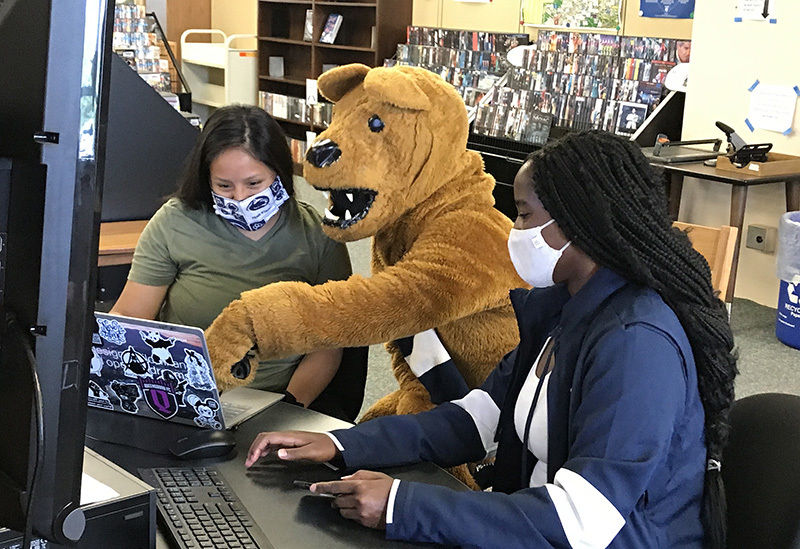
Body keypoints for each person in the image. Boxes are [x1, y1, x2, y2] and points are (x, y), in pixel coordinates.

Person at [243, 131, 738, 548]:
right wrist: (338, 444)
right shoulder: (563, 307)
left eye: (522, 215)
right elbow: (474, 419)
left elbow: (583, 522)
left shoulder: (634, 342)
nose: (514, 230)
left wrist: (402, 503)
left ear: (580, 222)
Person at [111, 105, 352, 417]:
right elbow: (131, 315)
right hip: (184, 395)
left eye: (254, 184)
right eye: (224, 185)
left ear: (279, 174)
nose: (239, 198)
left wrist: (288, 408)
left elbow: (329, 344)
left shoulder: (316, 234)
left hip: (278, 401)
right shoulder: (175, 222)